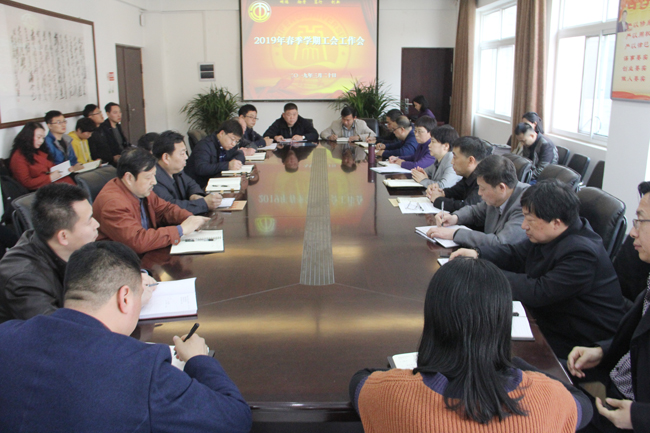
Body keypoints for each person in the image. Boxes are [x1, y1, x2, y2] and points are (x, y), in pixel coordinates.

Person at [0, 241, 252, 433]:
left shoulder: (7, 335)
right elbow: (234, 419)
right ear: (124, 298)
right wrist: (199, 360)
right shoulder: (142, 369)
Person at [350, 258, 592, 432]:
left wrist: (423, 369)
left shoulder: (389, 394)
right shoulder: (549, 399)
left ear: (433, 321)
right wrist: (514, 363)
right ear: (502, 322)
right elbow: (582, 403)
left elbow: (360, 379)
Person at [450, 179, 627, 359]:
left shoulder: (582, 253)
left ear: (556, 222)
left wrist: (484, 273)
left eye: (530, 220)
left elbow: (539, 291)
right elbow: (515, 254)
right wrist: (478, 254)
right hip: (550, 318)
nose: (524, 226)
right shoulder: (553, 233)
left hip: (579, 340)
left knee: (485, 345)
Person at [566, 181, 650, 433]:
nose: (632, 233)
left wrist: (640, 418)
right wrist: (602, 352)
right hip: (613, 394)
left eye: (640, 222)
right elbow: (637, 339)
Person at [0, 183, 99, 323]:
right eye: (89, 221)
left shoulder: (71, 247)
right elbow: (55, 330)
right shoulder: (24, 279)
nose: (97, 224)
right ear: (63, 236)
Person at [93, 147, 209, 254]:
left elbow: (165, 209)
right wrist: (181, 229)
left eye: (154, 175)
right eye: (148, 177)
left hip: (146, 252)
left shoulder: (140, 190)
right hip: (119, 261)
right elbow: (137, 241)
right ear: (129, 177)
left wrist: (189, 219)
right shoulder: (113, 204)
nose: (154, 182)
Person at [426, 155, 529, 247]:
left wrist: (455, 234)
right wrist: (455, 217)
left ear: (501, 188)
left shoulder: (526, 204)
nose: (479, 193)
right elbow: (475, 211)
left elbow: (501, 243)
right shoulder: (498, 197)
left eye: (483, 188)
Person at [152, 131, 223, 215]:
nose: (186, 157)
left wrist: (195, 195)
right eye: (182, 154)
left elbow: (191, 184)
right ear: (166, 157)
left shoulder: (176, 170)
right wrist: (203, 203)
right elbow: (170, 207)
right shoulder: (154, 179)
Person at [427, 136, 490, 212]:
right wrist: (440, 192)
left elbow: (467, 207)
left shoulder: (484, 180)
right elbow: (455, 192)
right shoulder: (468, 176)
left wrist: (437, 200)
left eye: (455, 157)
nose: (452, 162)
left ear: (470, 160)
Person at [9, 122, 76, 190]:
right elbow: (26, 182)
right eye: (38, 137)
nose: (41, 141)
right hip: (41, 190)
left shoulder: (39, 150)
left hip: (53, 184)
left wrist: (65, 169)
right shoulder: (19, 157)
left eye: (43, 138)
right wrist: (50, 178)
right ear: (28, 137)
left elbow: (51, 167)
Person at [185, 119, 246, 189]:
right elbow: (201, 168)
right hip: (200, 187)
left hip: (217, 183)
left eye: (236, 141)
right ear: (222, 133)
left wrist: (235, 161)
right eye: (232, 139)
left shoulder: (228, 145)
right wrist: (227, 165)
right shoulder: (204, 145)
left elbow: (240, 154)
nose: (233, 144)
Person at [411, 124, 462, 188]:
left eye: (433, 142)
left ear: (446, 146)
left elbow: (444, 186)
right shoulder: (438, 159)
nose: (429, 145)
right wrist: (419, 174)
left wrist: (423, 180)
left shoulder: (452, 161)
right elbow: (425, 173)